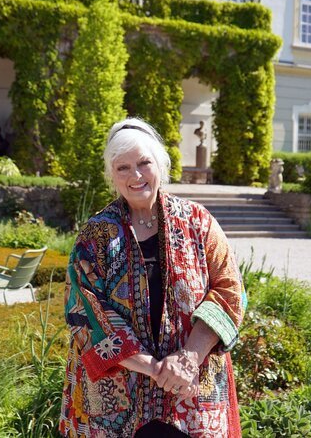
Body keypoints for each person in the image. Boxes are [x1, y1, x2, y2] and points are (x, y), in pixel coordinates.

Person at [59, 117, 247, 438]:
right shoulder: (95, 235)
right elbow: (85, 309)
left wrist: (189, 357)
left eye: (144, 163)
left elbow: (230, 291)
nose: (135, 175)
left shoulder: (198, 222)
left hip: (192, 390)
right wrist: (157, 369)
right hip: (117, 397)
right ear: (111, 175)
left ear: (161, 164)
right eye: (123, 168)